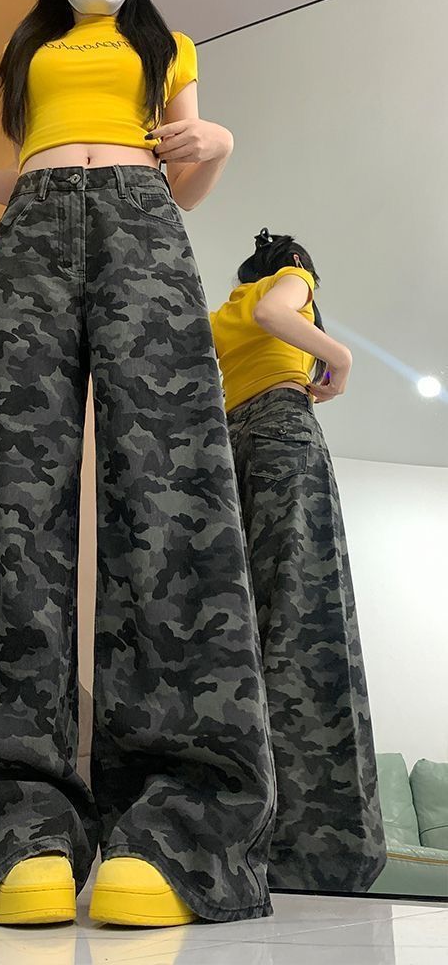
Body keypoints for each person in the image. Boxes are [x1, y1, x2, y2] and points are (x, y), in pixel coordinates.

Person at [0, 0, 276, 929]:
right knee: (10, 496)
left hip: (146, 228)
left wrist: (217, 144)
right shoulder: (33, 47)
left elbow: (187, 184)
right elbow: (28, 169)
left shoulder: (169, 48)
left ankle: (181, 825)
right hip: (31, 235)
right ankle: (9, 823)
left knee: (171, 492)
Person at [210, 228, 387, 893]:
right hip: (285, 433)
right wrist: (339, 359)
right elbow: (274, 313)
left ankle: (241, 830)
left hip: (231, 449)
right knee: (306, 616)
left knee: (245, 627)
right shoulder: (291, 279)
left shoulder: (220, 314)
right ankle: (316, 846)